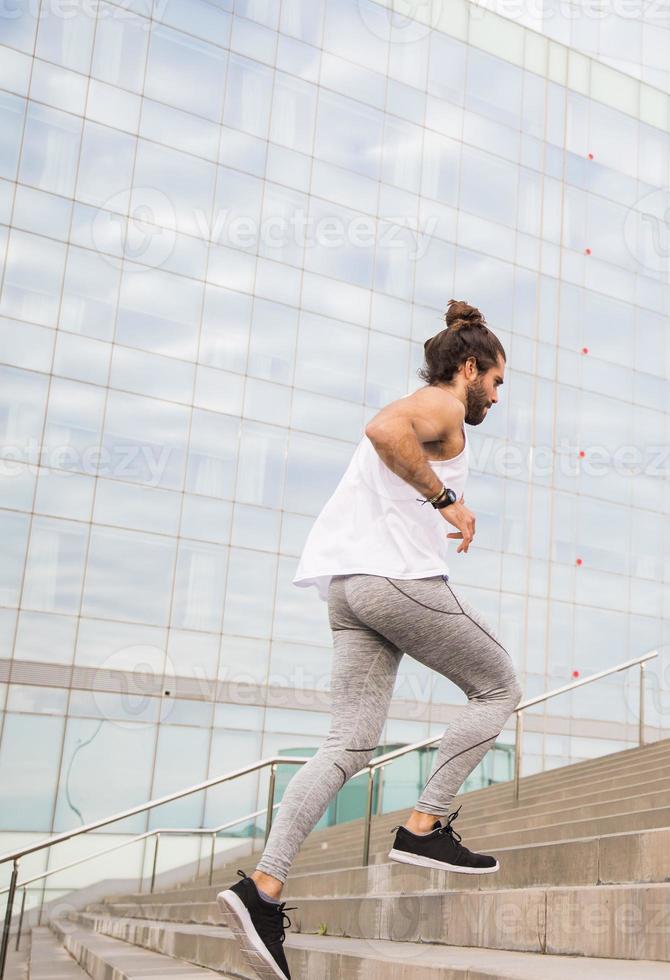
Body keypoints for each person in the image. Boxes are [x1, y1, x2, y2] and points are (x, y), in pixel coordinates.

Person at [215, 299, 523, 980]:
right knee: (499, 686)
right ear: (468, 368)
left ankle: (262, 888)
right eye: (497, 382)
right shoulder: (439, 405)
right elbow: (384, 430)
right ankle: (424, 827)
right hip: (395, 579)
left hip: (348, 589)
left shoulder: (435, 408)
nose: (497, 397)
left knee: (349, 741)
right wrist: (449, 501)